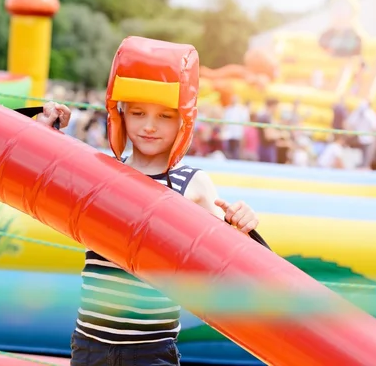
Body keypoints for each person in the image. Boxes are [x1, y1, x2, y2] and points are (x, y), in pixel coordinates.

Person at [35, 36, 260, 366]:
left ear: (184, 119)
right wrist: (46, 131)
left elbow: (224, 259)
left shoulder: (192, 184)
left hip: (150, 350)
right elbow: (45, 181)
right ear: (120, 113)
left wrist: (242, 226)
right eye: (138, 113)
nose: (150, 126)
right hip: (90, 344)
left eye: (165, 117)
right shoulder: (102, 171)